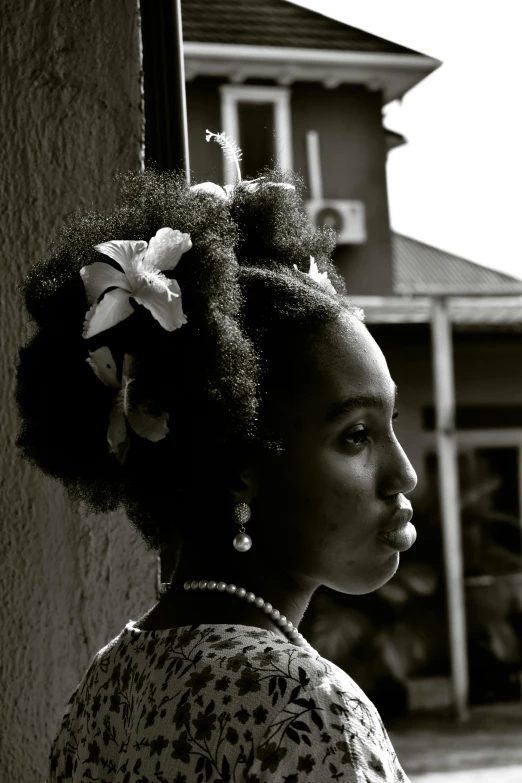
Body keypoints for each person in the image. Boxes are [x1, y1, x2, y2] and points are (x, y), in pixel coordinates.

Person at [17, 158, 417, 782]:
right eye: (357, 435)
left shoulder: (109, 686)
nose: (404, 474)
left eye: (391, 425)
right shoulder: (305, 708)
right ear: (237, 467)